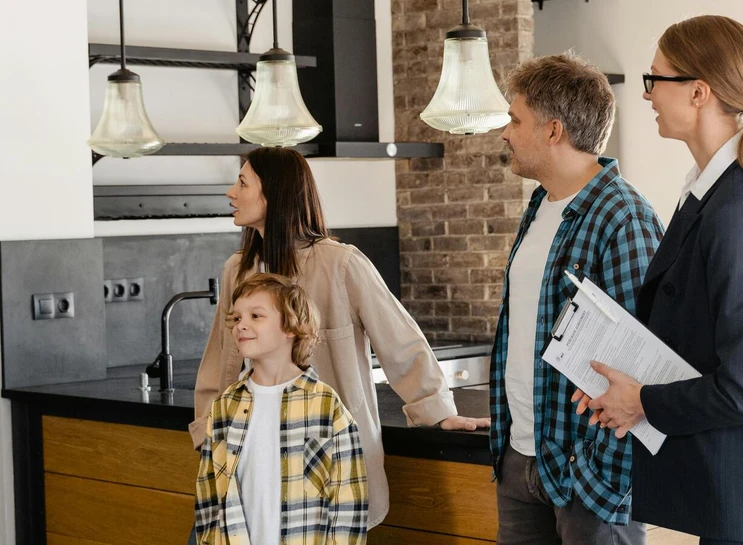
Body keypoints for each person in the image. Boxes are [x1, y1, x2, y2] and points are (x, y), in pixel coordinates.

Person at [581, 15, 743, 545]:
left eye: (655, 79)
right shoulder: (712, 196)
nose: (646, 95)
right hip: (739, 492)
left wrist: (641, 401)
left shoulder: (736, 211)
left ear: (698, 92)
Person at [191, 147, 490, 529]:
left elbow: (401, 341)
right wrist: (206, 431)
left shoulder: (341, 264)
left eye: (243, 182)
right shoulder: (238, 269)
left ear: (276, 193)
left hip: (328, 457)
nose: (231, 192)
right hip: (251, 454)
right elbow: (222, 358)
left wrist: (438, 411)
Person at [489, 52, 663, 545]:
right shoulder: (541, 205)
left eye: (514, 119)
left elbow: (642, 361)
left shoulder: (624, 215)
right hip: (520, 458)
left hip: (588, 474)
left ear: (553, 130)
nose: (505, 133)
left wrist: (602, 472)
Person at [195, 273, 367, 545]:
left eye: (256, 316)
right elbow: (209, 495)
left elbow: (348, 502)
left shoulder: (325, 405)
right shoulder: (224, 407)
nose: (241, 325)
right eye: (237, 318)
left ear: (291, 326)